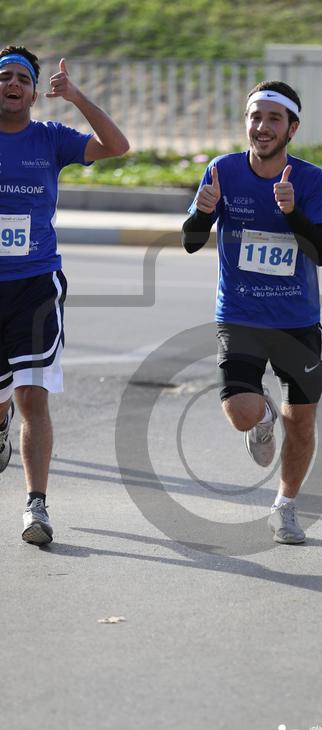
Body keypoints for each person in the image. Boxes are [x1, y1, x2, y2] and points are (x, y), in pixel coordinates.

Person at [182, 80, 322, 544]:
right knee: (241, 414)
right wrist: (201, 215)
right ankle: (263, 418)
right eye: (255, 117)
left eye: (274, 119)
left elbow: (321, 251)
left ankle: (285, 507)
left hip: (297, 320)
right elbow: (190, 241)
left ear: (292, 128)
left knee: (302, 421)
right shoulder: (222, 171)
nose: (263, 127)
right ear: (246, 123)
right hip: (240, 314)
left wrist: (292, 213)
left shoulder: (310, 179)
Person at [0, 45, 129, 545]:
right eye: (4, 76)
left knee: (33, 396)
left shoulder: (50, 138)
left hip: (35, 284)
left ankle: (37, 505)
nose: (12, 84)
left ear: (34, 92)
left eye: (22, 78)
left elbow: (116, 146)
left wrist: (76, 97)